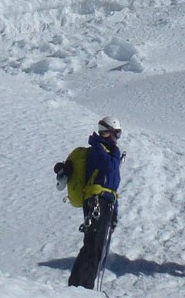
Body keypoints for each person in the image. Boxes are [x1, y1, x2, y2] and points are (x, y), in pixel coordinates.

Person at [69, 116, 124, 289]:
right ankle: (77, 286)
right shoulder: (97, 149)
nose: (111, 137)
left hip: (106, 202)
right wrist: (115, 153)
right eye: (106, 132)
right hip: (96, 200)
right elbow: (107, 168)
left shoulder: (109, 152)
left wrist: (114, 211)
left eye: (115, 133)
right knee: (92, 244)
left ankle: (87, 287)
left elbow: (113, 187)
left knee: (98, 246)